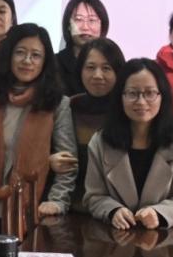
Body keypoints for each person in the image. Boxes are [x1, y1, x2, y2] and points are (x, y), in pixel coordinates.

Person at [0, 23, 78, 218]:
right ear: (9, 55)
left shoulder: (57, 103)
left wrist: (57, 201)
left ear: (45, 62)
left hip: (33, 212)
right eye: (20, 52)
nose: (27, 61)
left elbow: (67, 163)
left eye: (36, 55)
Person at [83, 58, 173, 228]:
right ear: (120, 97)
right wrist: (113, 210)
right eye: (132, 93)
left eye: (150, 93)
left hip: (165, 238)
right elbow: (93, 196)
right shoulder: (101, 141)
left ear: (162, 96)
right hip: (114, 236)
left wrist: (158, 213)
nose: (141, 102)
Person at [54, 38, 126, 212]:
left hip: (117, 210)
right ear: (80, 70)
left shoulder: (128, 110)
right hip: (69, 208)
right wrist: (48, 161)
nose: (97, 75)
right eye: (90, 67)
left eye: (106, 68)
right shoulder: (67, 107)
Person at [57, 0, 110, 96]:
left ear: (102, 25)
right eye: (78, 19)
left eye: (92, 20)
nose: (85, 27)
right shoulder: (54, 64)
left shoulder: (112, 62)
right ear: (68, 25)